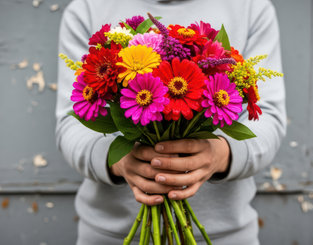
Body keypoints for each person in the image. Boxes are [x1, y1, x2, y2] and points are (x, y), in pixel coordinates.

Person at [56, 0, 286, 244]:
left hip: (226, 236)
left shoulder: (251, 7)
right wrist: (116, 162)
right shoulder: (87, 7)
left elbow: (268, 116)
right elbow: (73, 119)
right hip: (108, 236)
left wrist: (221, 155)